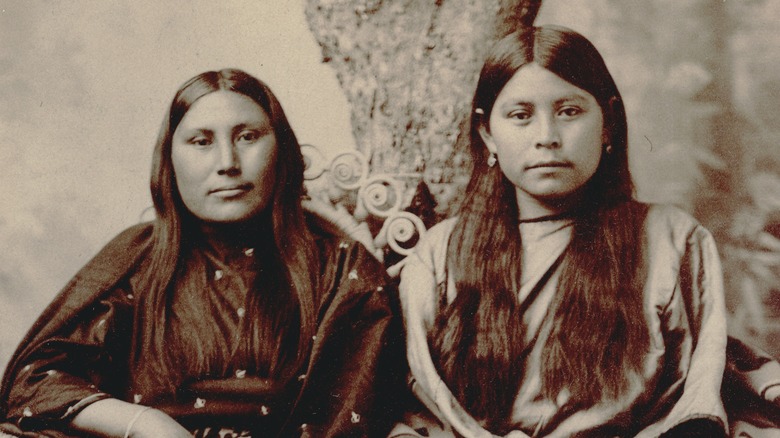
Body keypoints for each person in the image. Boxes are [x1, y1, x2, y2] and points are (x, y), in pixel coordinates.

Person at [0, 69, 404, 437]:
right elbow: (34, 380)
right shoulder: (138, 257)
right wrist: (146, 424)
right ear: (170, 160)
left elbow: (355, 414)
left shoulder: (342, 267)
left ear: (280, 148)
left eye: (247, 137)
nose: (227, 163)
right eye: (201, 141)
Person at [389, 26, 730, 437]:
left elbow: (693, 399)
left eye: (569, 111)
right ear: (487, 134)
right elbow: (419, 402)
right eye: (520, 116)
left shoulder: (673, 239)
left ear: (607, 124)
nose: (547, 137)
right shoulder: (442, 253)